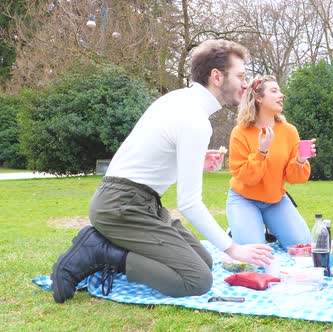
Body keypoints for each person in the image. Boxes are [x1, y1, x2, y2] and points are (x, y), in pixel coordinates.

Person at [50, 39, 273, 303]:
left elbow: (152, 151)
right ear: (216, 76)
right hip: (121, 206)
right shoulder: (195, 119)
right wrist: (234, 249)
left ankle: (112, 244)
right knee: (197, 279)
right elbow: (189, 203)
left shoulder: (179, 99)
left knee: (203, 259)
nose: (245, 84)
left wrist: (195, 160)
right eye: (240, 76)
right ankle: (100, 251)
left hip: (138, 202)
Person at [226, 75, 314, 250]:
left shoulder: (289, 131)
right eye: (274, 91)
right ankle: (239, 230)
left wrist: (300, 160)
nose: (281, 95)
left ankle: (256, 229)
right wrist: (262, 152)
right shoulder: (240, 132)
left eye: (280, 91)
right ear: (258, 98)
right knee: (254, 255)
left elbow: (295, 178)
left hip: (276, 200)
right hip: (244, 199)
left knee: (303, 248)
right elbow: (246, 177)